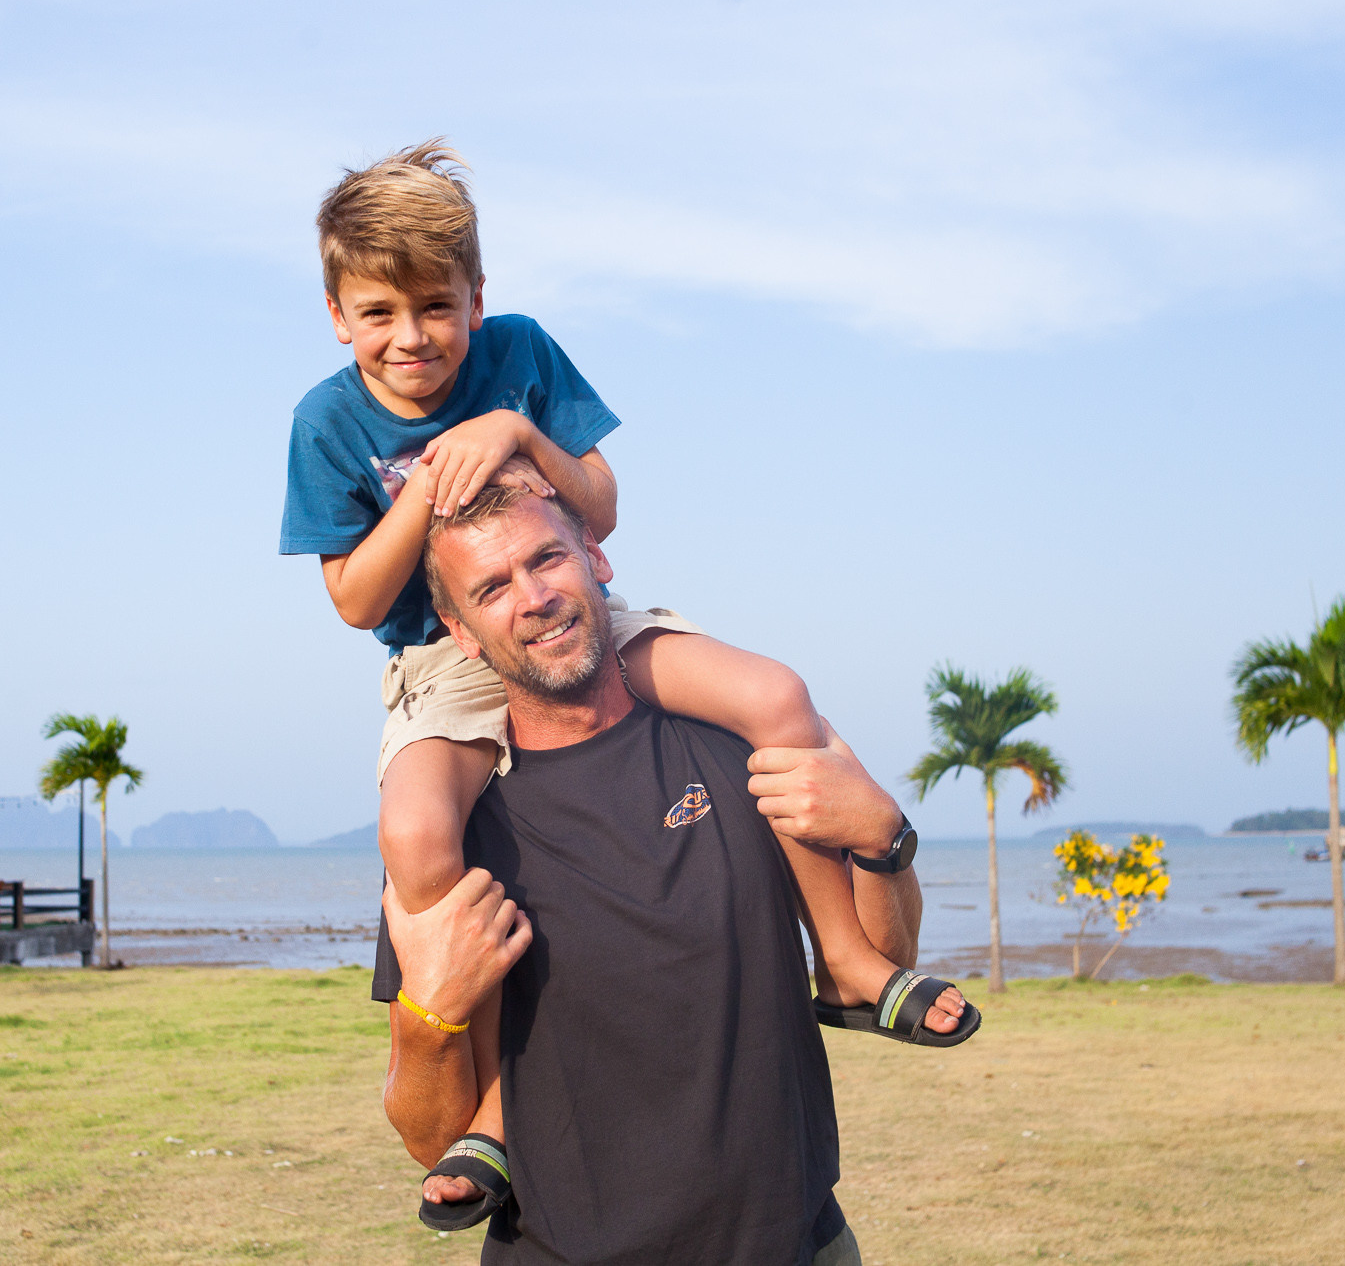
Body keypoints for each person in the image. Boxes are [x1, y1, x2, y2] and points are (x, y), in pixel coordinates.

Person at [281, 143, 970, 1220]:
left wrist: (509, 432)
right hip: (438, 661)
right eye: (377, 313)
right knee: (416, 838)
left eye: (434, 306)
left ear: (475, 297)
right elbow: (357, 601)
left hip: (588, 620)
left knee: (778, 696)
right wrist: (425, 490)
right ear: (335, 313)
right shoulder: (326, 421)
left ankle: (843, 961)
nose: (409, 337)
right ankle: (492, 1118)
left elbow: (595, 510)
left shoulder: (518, 357)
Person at [376, 486, 980, 1262]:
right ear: (459, 632)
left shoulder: (735, 748)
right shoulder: (459, 827)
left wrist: (884, 838)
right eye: (492, 588)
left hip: (797, 1243)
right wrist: (434, 1021)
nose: (533, 598)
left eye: (547, 558)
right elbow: (431, 1139)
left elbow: (886, 955)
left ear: (595, 558)